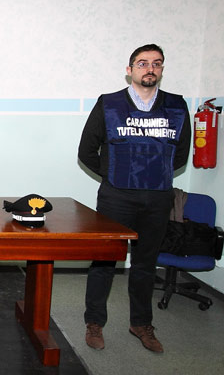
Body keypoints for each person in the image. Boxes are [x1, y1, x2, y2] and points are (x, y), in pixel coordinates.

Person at [78, 44, 191, 354]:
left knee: (145, 264)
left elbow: (181, 154)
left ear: (162, 69)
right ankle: (94, 322)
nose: (149, 68)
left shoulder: (177, 107)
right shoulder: (109, 104)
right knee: (104, 261)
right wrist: (114, 175)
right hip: (116, 197)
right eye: (142, 63)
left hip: (158, 198)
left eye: (156, 63)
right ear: (130, 71)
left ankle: (141, 324)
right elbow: (86, 150)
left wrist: (153, 175)